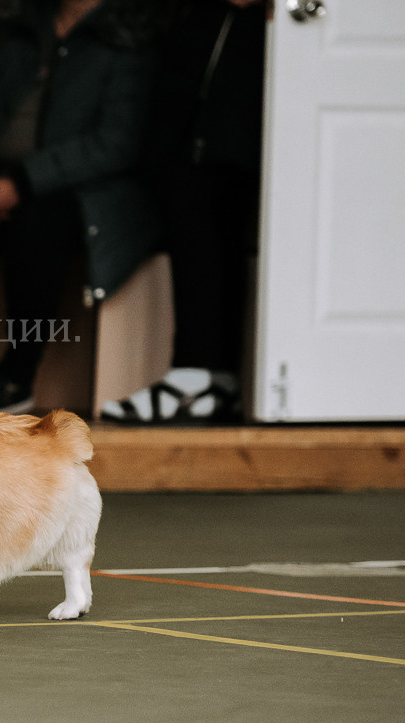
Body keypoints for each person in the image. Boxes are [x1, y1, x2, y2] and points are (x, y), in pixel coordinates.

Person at [0, 0, 162, 413]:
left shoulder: (129, 38)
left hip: (85, 194)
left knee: (37, 226)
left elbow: (116, 145)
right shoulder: (16, 26)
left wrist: (21, 183)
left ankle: (16, 378)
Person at [103, 0, 267, 424]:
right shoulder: (193, 17)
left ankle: (203, 377)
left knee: (215, 241)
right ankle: (204, 378)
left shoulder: (265, 22)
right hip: (179, 147)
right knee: (201, 236)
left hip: (232, 148)